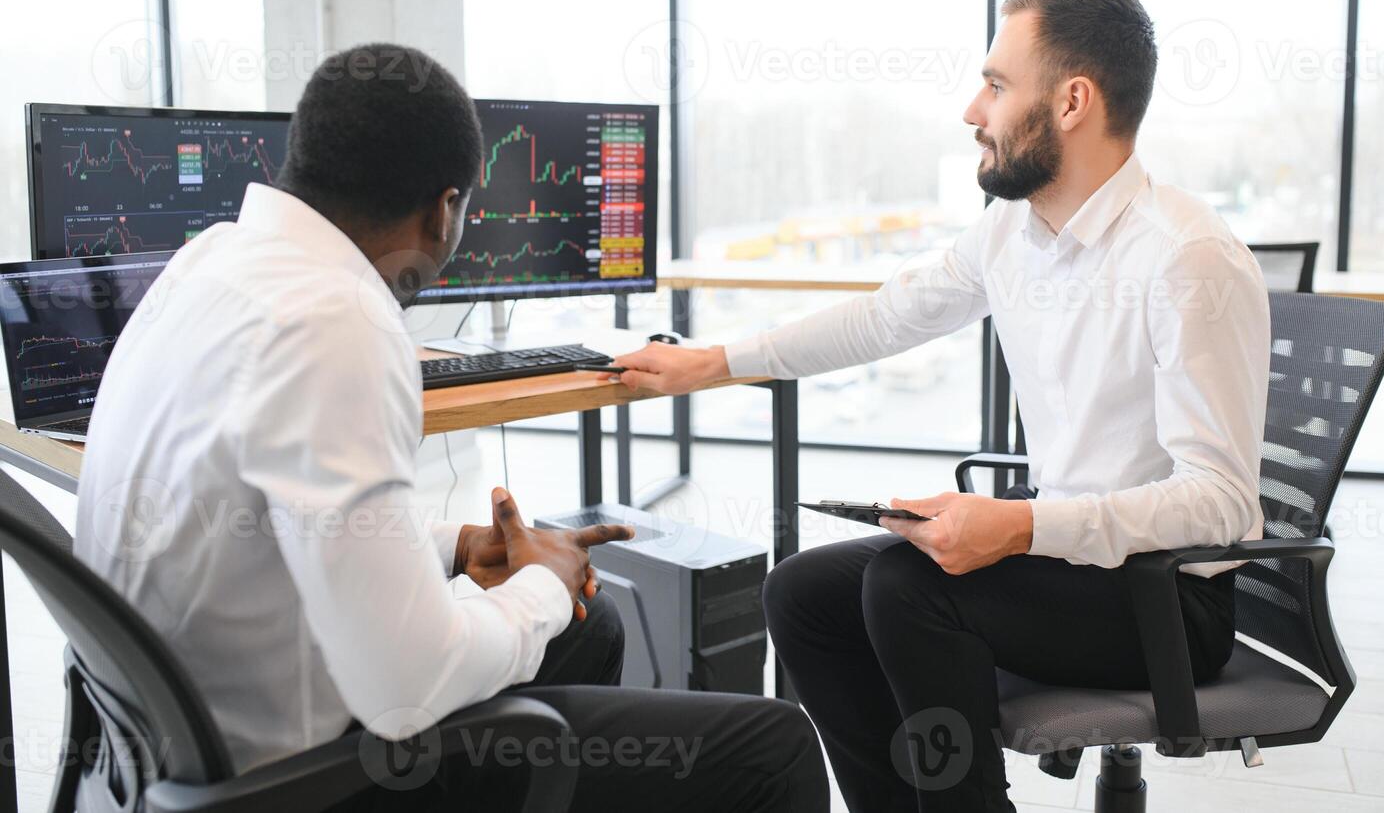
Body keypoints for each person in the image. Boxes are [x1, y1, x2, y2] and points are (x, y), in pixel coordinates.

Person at [75, 43, 827, 812]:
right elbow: (409, 684)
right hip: (303, 779)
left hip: (176, 740)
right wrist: (540, 580)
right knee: (773, 746)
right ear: (443, 210)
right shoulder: (338, 322)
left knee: (587, 623)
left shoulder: (209, 260)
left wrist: (462, 547)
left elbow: (274, 525)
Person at [611, 0, 1270, 812]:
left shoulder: (1184, 256)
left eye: (995, 85)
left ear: (1071, 102)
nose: (972, 111)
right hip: (1069, 562)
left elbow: (1218, 504)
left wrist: (1022, 523)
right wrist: (714, 363)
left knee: (908, 588)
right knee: (804, 593)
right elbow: (887, 319)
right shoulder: (1015, 232)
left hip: (1165, 597)